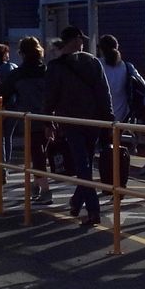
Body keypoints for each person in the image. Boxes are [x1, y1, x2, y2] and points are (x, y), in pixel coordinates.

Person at [44, 26, 112, 226]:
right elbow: (103, 92)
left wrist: (48, 122)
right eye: (80, 39)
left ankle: (92, 210)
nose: (82, 42)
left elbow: (49, 98)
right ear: (74, 41)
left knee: (83, 165)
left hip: (71, 121)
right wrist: (109, 119)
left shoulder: (55, 67)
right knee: (86, 163)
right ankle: (78, 202)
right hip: (93, 121)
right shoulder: (92, 62)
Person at [3, 36, 52, 204]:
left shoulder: (17, 74)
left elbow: (4, 93)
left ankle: (44, 189)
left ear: (21, 53)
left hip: (28, 117)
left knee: (36, 153)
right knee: (40, 153)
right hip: (50, 116)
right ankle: (37, 184)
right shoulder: (48, 71)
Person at [0, 42, 16, 180]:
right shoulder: (12, 68)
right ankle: (6, 166)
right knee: (8, 136)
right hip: (12, 106)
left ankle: (1, 167)